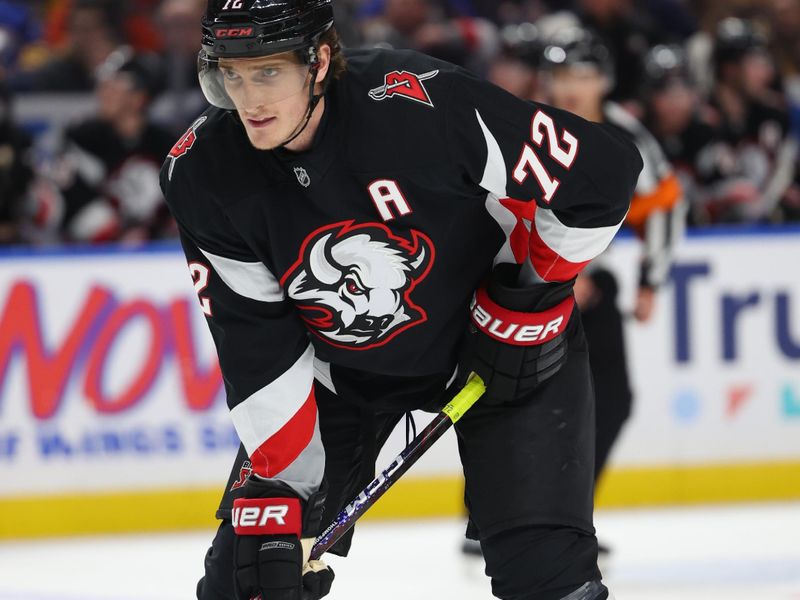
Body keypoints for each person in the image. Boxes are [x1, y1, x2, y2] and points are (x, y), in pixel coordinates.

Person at [160, 2, 642, 599]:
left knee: (551, 581)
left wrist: (531, 299)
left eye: (268, 73)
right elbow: (256, 344)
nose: (248, 98)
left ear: (319, 63)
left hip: (497, 350)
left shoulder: (420, 102)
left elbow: (603, 173)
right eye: (232, 75)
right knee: (251, 582)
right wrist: (282, 495)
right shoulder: (203, 171)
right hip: (336, 376)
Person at [541, 27, 683, 545]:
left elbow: (666, 203)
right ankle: (490, 515)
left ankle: (573, 514)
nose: (572, 86)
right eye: (561, 75)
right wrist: (546, 276)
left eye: (583, 74)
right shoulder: (530, 128)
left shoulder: (626, 133)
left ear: (604, 80)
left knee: (613, 400)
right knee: (521, 401)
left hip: (591, 292)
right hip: (528, 290)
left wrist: (651, 279)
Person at [48, 55, 175, 242]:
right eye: (103, 86)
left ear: (139, 97)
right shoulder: (83, 138)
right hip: (95, 252)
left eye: (112, 87)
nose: (102, 93)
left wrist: (153, 231)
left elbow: (183, 205)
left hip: (156, 249)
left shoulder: (167, 143)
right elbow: (69, 204)